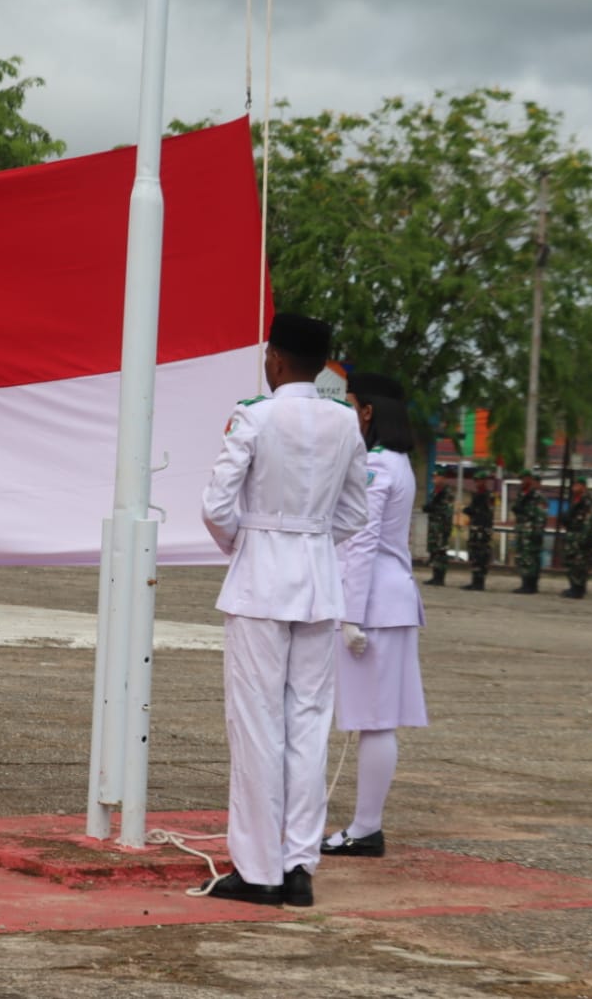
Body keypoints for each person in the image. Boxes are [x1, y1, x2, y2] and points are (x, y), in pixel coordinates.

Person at [200, 312, 367, 908]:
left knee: (256, 726)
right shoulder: (346, 421)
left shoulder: (254, 414)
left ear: (273, 358)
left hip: (261, 583)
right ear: (324, 364)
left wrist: (249, 544)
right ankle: (299, 866)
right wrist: (312, 539)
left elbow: (218, 505)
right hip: (319, 582)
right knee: (308, 726)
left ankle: (258, 869)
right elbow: (355, 511)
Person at [322, 376, 426, 861]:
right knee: (377, 721)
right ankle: (366, 826)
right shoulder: (399, 462)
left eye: (350, 405)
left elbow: (361, 542)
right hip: (390, 603)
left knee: (374, 721)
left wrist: (348, 615)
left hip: (374, 609)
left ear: (367, 413)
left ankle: (366, 828)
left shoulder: (378, 464)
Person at [560, 476, 592, 599]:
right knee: (570, 562)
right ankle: (573, 586)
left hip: (580, 537)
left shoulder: (587, 501)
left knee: (579, 564)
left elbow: (589, 521)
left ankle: (578, 589)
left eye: (577, 484)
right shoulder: (574, 501)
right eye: (573, 484)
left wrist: (584, 538)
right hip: (571, 535)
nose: (574, 487)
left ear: (583, 486)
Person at [510, 470, 545, 594]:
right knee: (522, 557)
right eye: (521, 479)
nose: (522, 481)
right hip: (522, 530)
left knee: (531, 558)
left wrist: (537, 531)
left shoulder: (538, 496)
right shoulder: (522, 495)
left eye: (525, 479)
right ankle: (525, 583)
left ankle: (531, 585)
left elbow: (541, 515)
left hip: (532, 531)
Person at [460, 470, 493, 592]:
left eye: (480, 480)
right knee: (474, 554)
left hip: (482, 530)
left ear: (484, 481)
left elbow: (484, 513)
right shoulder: (477, 495)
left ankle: (479, 582)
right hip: (475, 529)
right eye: (476, 480)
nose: (477, 482)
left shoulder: (486, 496)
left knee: (481, 555)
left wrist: (470, 510)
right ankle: (474, 581)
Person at [421, 467, 454, 587]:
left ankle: (440, 577)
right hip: (434, 526)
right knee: (434, 550)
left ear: (443, 478)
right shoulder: (435, 492)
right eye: (433, 477)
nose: (435, 479)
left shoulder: (447, 492)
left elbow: (447, 510)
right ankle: (435, 576)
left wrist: (433, 508)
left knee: (441, 551)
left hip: (442, 526)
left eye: (437, 476)